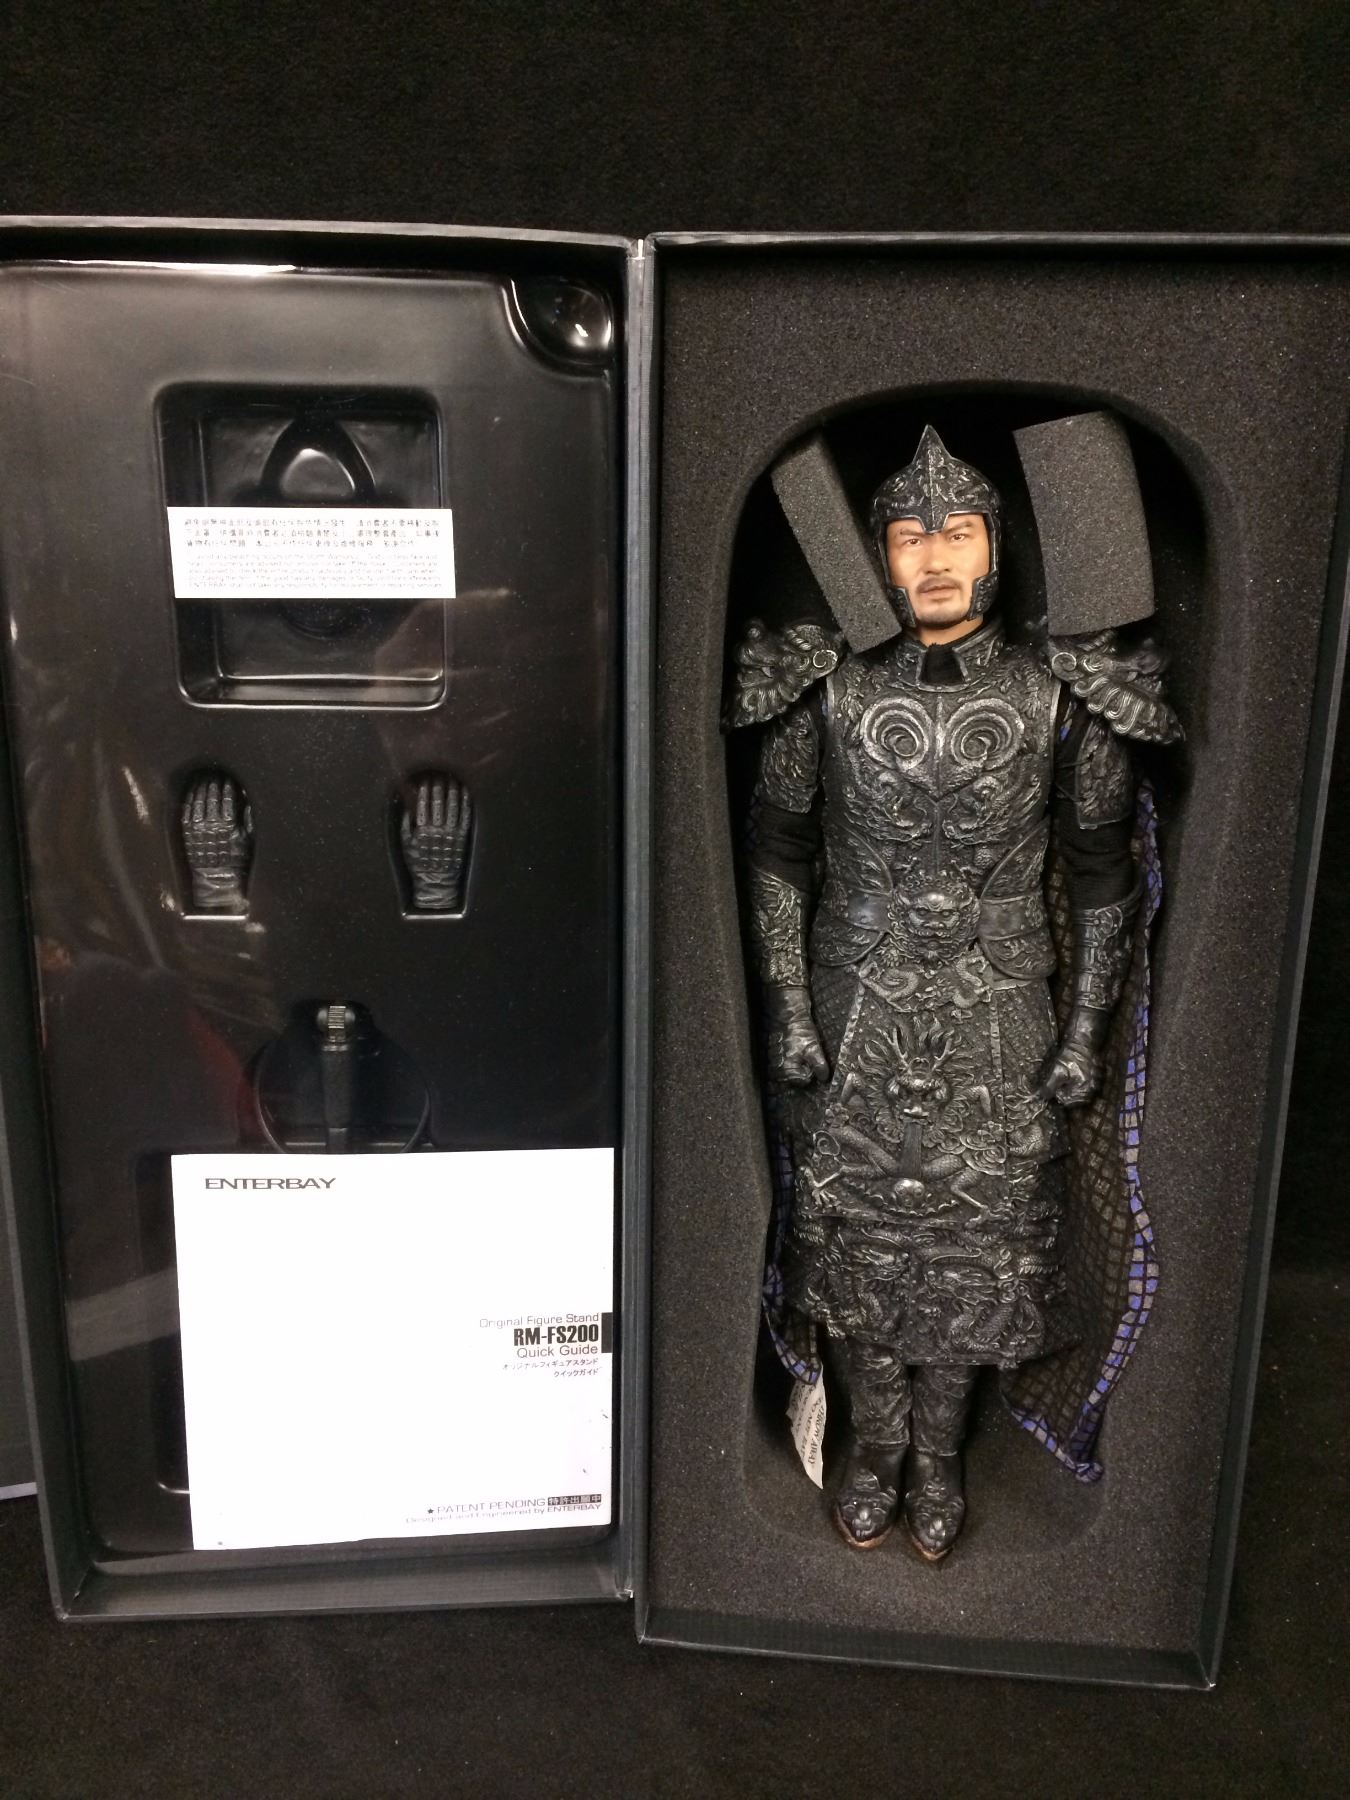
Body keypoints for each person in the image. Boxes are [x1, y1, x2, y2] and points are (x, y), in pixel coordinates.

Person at [730, 426, 1179, 1561]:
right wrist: (789, 1003)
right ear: (879, 557)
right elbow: (778, 852)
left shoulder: (1059, 698)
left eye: (960, 533)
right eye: (910, 537)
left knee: (986, 1237)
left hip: (1000, 1008)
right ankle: (876, 1447)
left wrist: (1084, 1030)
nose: (935, 558)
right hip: (856, 1002)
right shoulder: (826, 691)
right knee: (858, 1238)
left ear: (995, 549)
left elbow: (1102, 875)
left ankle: (939, 1455)